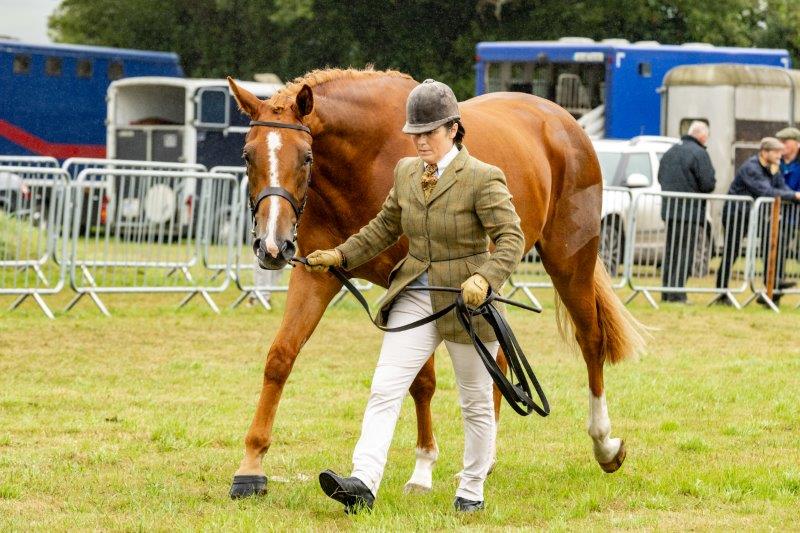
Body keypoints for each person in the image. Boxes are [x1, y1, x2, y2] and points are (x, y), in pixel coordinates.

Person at [305, 79, 525, 513]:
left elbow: (511, 238)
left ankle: (472, 488)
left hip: (466, 300)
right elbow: (384, 228)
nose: (420, 141)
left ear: (453, 129)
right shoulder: (406, 172)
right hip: (416, 291)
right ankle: (363, 481)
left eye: (429, 132)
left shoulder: (482, 177)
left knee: (475, 401)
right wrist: (340, 254)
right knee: (385, 387)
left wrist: (485, 279)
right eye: (415, 133)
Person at [715, 137, 800, 304]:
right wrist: (794, 195)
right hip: (736, 214)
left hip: (755, 214)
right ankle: (721, 292)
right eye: (776, 152)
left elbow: (781, 187)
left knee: (772, 242)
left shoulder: (773, 167)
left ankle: (772, 284)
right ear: (764, 152)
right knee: (732, 252)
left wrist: (794, 195)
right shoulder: (751, 168)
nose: (780, 156)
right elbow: (766, 191)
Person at [657, 121, 716, 303]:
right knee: (685, 253)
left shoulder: (671, 151)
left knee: (671, 252)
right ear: (703, 136)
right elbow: (708, 183)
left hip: (670, 210)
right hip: (690, 212)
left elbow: (660, 177)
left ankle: (666, 292)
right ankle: (678, 294)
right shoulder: (700, 153)